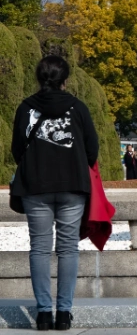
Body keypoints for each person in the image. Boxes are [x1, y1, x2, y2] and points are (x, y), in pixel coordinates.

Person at [11, 55, 99, 331]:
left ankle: (43, 314)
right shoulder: (78, 107)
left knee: (39, 248)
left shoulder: (26, 108)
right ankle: (63, 313)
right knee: (67, 248)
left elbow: (17, 149)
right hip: (72, 186)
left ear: (39, 78)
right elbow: (92, 149)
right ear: (66, 79)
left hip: (35, 187)